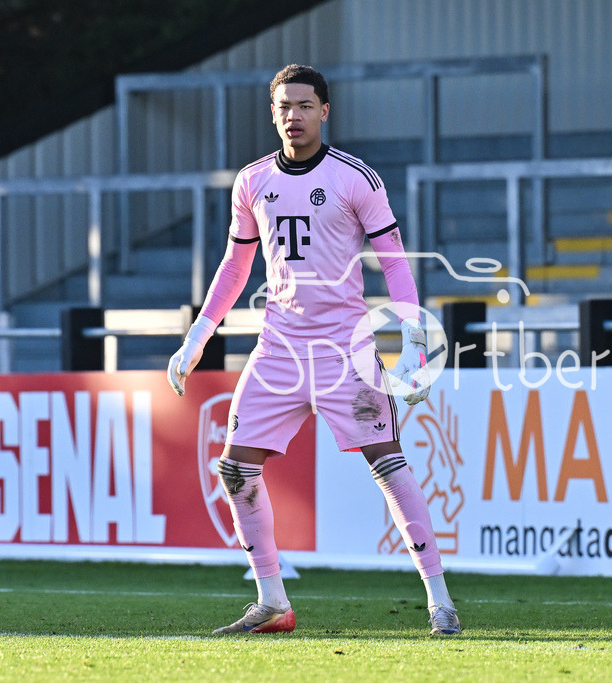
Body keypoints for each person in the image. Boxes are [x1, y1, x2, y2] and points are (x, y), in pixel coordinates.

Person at [166, 64, 461, 636]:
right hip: (277, 348)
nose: (293, 116)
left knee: (389, 464)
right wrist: (198, 335)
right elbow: (236, 264)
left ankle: (440, 601)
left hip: (345, 351)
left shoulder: (357, 179)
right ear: (272, 113)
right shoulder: (251, 181)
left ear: (325, 111)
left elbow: (395, 264)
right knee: (235, 469)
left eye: (304, 105)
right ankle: (273, 603)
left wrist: (416, 345)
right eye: (283, 106)